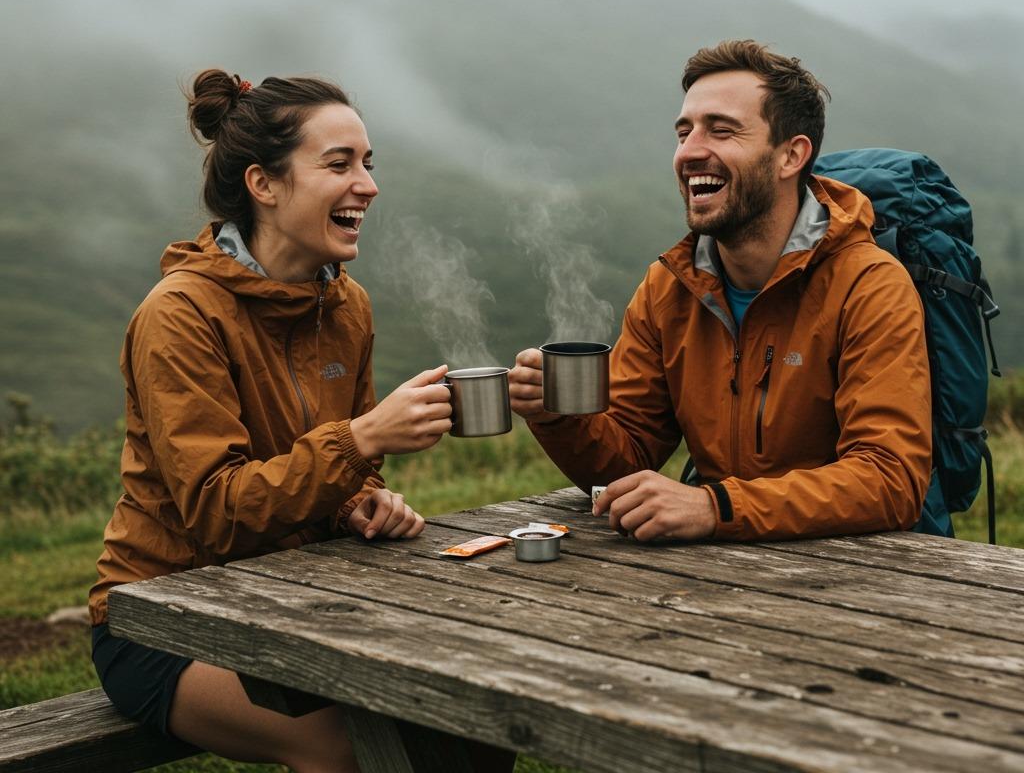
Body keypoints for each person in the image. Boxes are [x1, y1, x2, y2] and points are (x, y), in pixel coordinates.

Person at [89, 70, 460, 772]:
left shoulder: (347, 307)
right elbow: (217, 510)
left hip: (291, 596)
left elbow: (340, 469)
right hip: (161, 618)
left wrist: (364, 500)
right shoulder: (180, 316)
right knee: (349, 749)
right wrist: (362, 439)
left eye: (370, 164)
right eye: (340, 164)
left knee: (466, 719)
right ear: (264, 184)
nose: (369, 185)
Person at [509, 40, 932, 542]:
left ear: (790, 156)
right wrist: (559, 416)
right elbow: (625, 460)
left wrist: (716, 507)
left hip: (852, 578)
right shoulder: (670, 286)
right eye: (683, 132)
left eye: (722, 130)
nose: (689, 152)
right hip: (711, 578)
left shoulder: (868, 285)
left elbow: (889, 479)